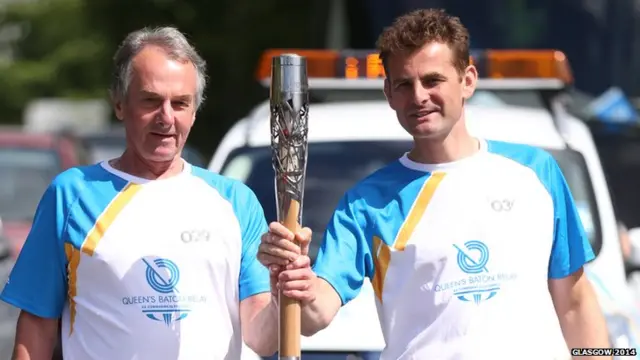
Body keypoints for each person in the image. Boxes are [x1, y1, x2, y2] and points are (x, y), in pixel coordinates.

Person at [258, 8, 610, 360]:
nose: (419, 96)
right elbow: (314, 314)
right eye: (404, 84)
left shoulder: (536, 172)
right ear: (389, 93)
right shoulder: (367, 203)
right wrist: (297, 284)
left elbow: (575, 304)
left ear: (467, 80)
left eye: (432, 80)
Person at [1, 26, 277, 360]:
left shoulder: (235, 201)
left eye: (180, 103)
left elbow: (263, 338)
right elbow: (37, 327)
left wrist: (285, 296)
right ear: (119, 104)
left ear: (193, 110)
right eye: (150, 100)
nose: (166, 118)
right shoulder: (73, 194)